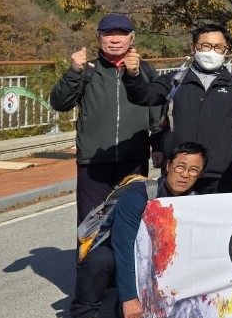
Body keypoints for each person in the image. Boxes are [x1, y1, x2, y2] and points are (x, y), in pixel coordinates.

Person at [66, 142, 206, 318]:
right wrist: (129, 297)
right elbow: (123, 249)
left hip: (156, 264)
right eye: (180, 166)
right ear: (168, 165)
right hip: (122, 258)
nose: (185, 174)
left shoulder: (196, 202)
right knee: (100, 259)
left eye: (193, 170)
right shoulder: (137, 196)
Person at [50, 13, 161, 224]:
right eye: (109, 34)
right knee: (91, 223)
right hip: (93, 161)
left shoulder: (145, 71)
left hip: (133, 159)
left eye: (122, 34)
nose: (115, 39)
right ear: (98, 38)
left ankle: (125, 249)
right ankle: (93, 249)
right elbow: (60, 104)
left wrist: (158, 145)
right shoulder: (88, 71)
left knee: (131, 220)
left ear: (131, 38)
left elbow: (157, 110)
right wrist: (74, 71)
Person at [121, 25, 232, 195]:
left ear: (226, 50)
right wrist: (133, 76)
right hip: (178, 173)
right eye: (205, 46)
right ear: (193, 47)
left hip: (221, 175)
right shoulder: (174, 81)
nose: (212, 52)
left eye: (218, 47)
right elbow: (143, 96)